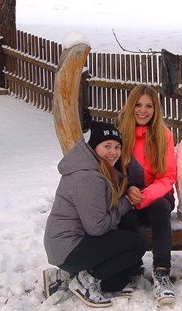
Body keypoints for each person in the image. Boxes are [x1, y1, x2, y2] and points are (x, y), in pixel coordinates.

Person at [43, 121, 146, 308]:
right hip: (68, 246)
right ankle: (84, 281)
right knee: (136, 245)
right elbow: (97, 227)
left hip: (67, 245)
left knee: (115, 282)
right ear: (94, 147)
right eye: (107, 146)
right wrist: (126, 203)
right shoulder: (88, 177)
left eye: (117, 147)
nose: (113, 152)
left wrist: (129, 188)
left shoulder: (97, 167)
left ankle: (63, 276)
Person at [116, 84, 178, 305]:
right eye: (139, 105)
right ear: (131, 106)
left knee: (161, 209)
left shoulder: (164, 135)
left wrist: (146, 196)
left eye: (149, 106)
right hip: (129, 194)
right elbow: (113, 170)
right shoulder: (121, 133)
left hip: (157, 196)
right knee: (125, 216)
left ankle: (162, 272)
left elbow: (169, 175)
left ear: (155, 109)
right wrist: (128, 189)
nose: (143, 110)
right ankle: (132, 270)